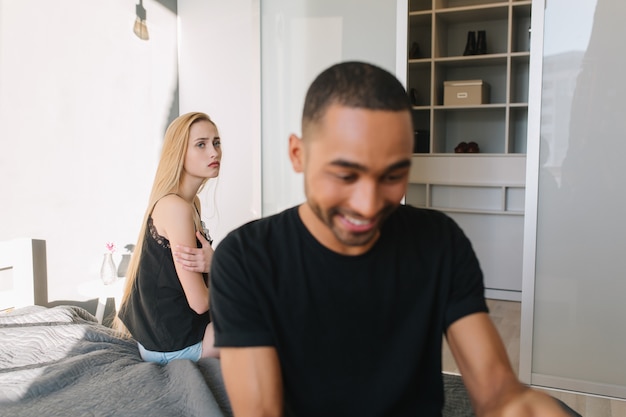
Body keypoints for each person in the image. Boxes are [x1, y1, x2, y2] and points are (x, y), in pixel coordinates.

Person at [209, 62, 572, 416]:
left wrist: (517, 405)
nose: (368, 206)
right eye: (346, 175)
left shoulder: (438, 241)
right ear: (298, 154)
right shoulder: (246, 259)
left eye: (392, 176)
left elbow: (496, 391)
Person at [116, 111, 221, 364]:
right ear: (179, 153)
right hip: (172, 346)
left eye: (216, 142)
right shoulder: (176, 208)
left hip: (171, 334)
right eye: (201, 144)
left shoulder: (190, 203)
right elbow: (200, 302)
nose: (214, 152)